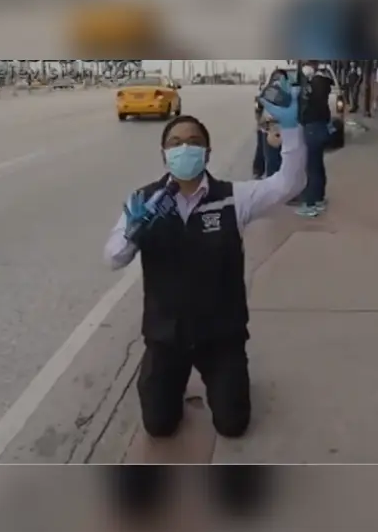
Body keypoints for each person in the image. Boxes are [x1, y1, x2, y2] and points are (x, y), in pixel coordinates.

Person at [103, 79, 306, 439]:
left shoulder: (233, 198)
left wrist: (291, 129)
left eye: (194, 142)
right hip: (166, 336)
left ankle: (229, 380)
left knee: (232, 426)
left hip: (220, 334)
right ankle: (170, 386)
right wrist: (133, 232)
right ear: (164, 153)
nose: (185, 148)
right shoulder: (144, 203)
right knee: (159, 426)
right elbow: (113, 259)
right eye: (175, 143)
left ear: (208, 153)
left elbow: (288, 184)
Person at [295, 60, 334, 218]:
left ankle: (310, 204)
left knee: (311, 167)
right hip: (321, 126)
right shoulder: (323, 82)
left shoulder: (315, 84)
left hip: (312, 128)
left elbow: (310, 105)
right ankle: (319, 199)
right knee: (317, 165)